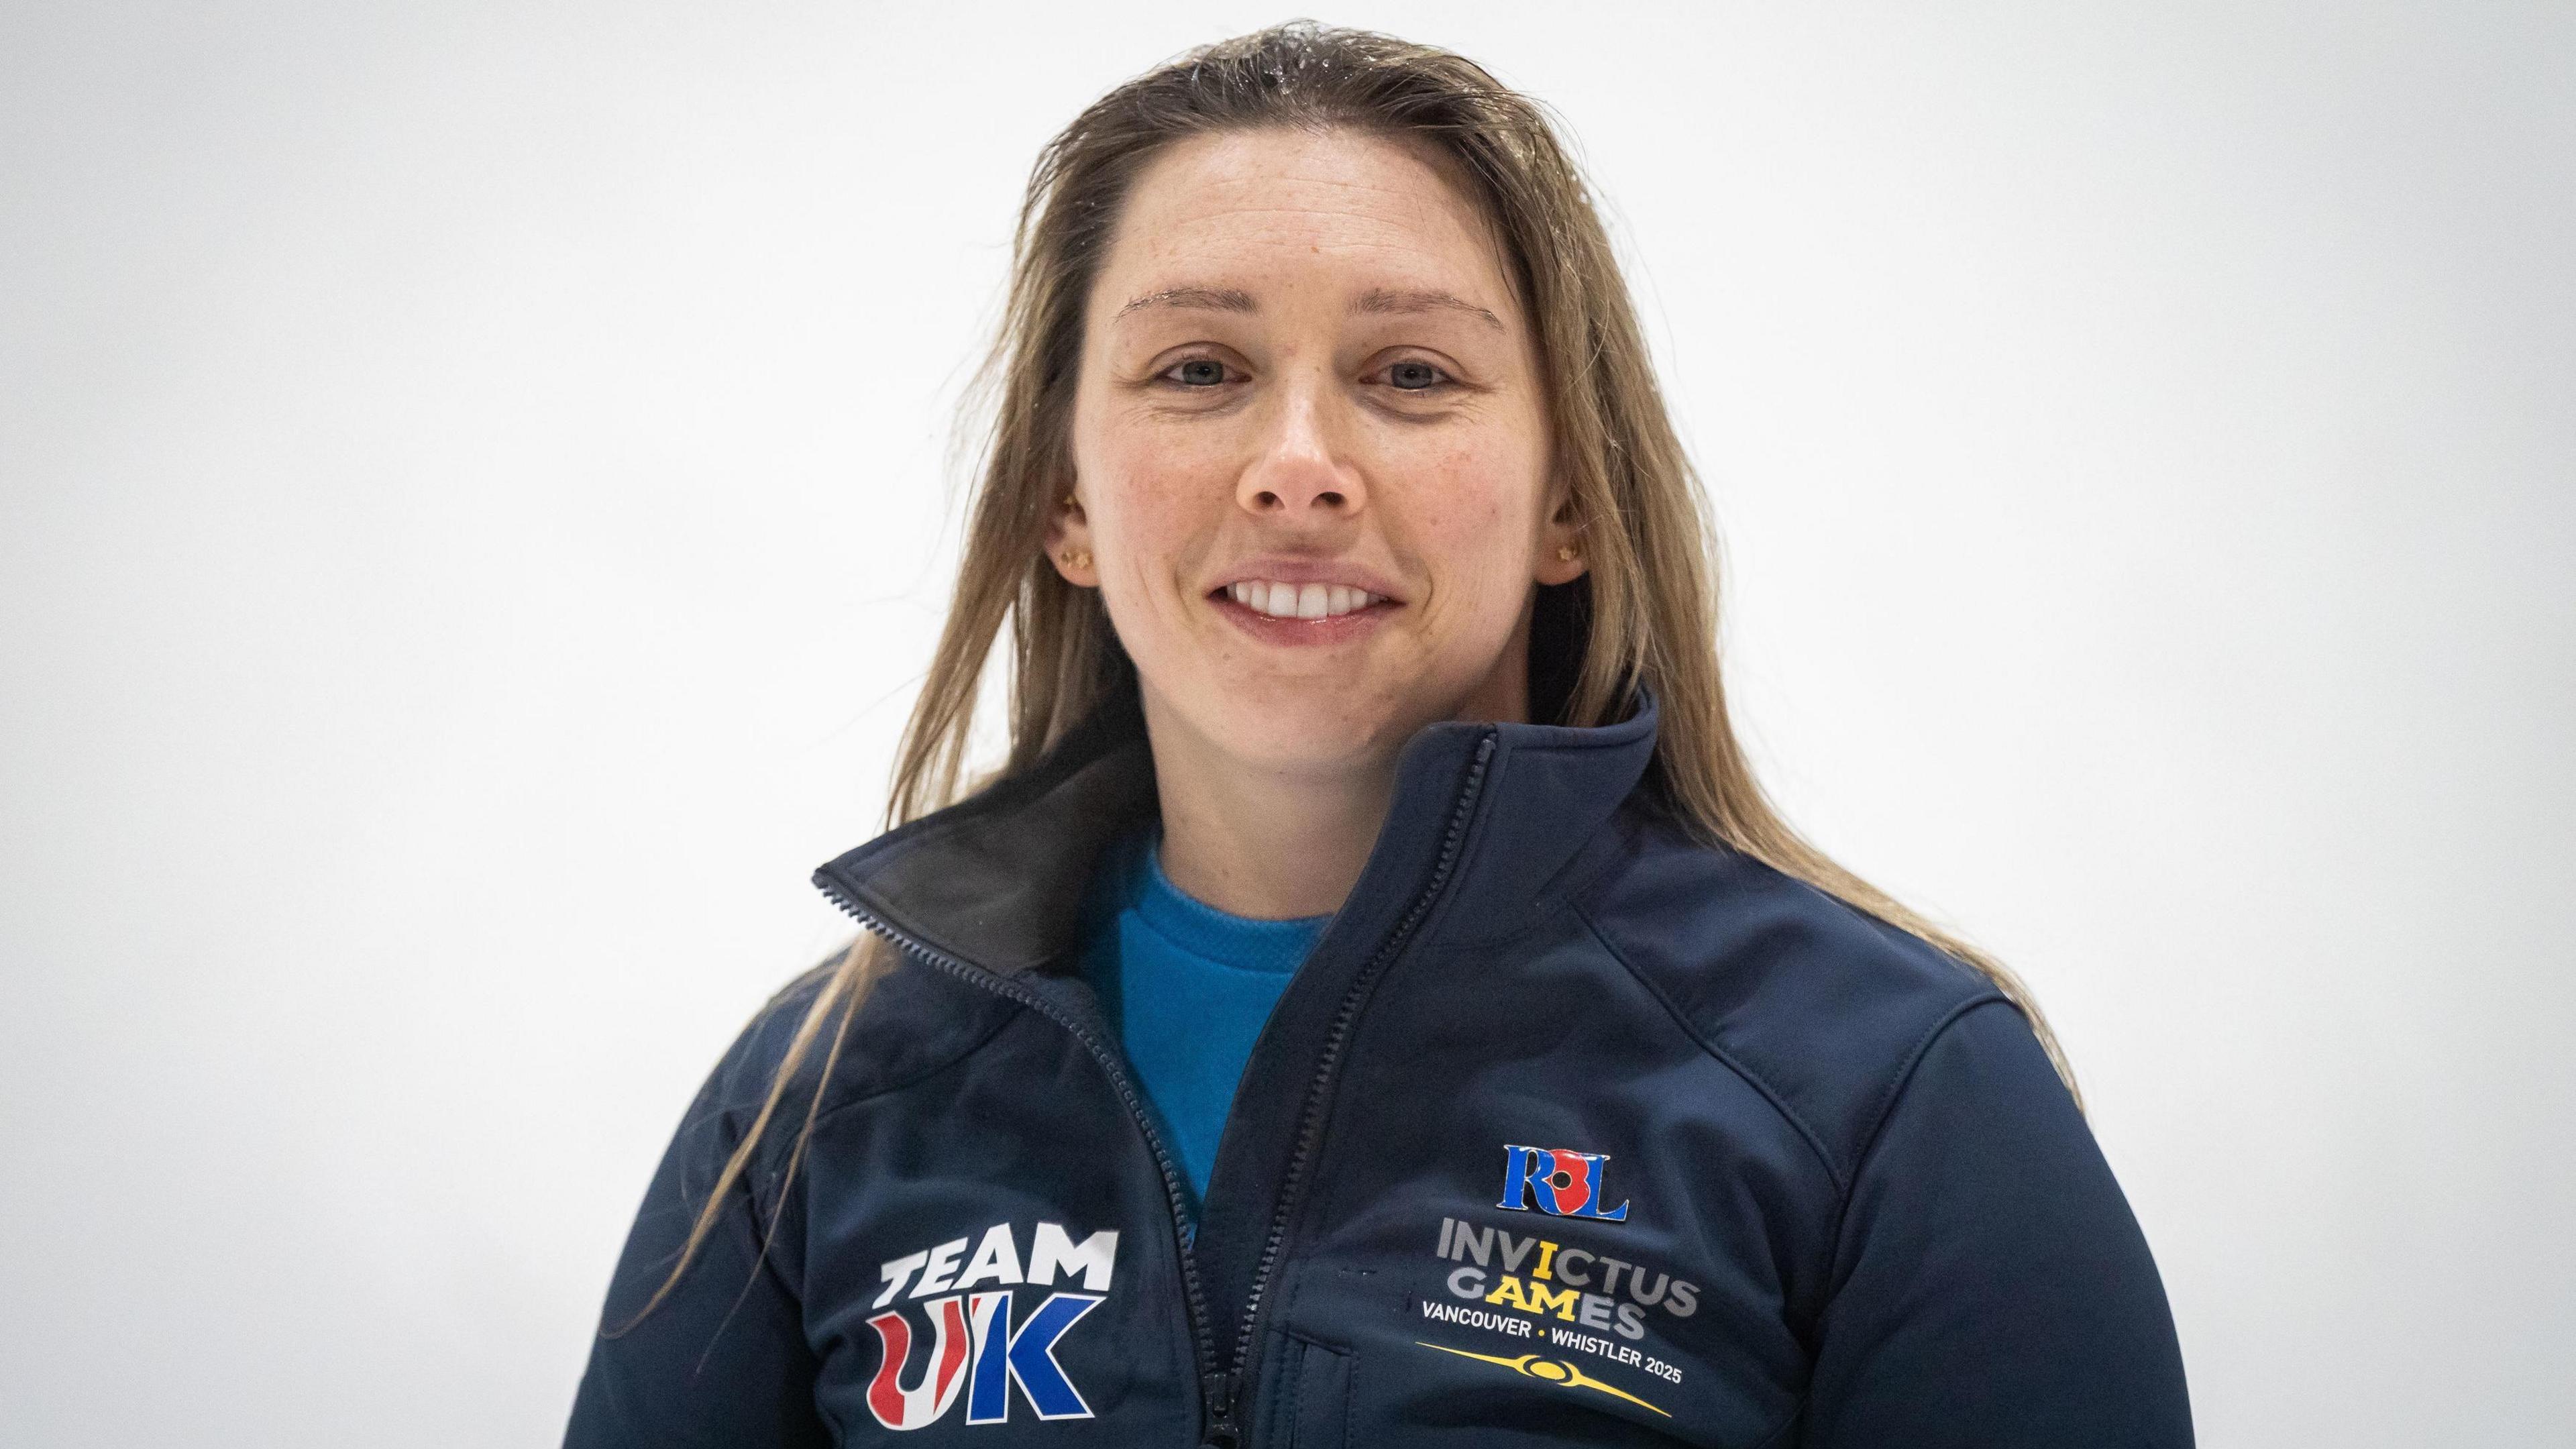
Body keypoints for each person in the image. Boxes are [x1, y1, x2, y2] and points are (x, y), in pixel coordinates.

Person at [566, 22, 2192, 1447]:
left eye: (1410, 374)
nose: (1298, 464)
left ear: (1570, 498)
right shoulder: (816, 1107)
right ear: (1066, 499)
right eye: (1197, 369)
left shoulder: (1886, 1091)